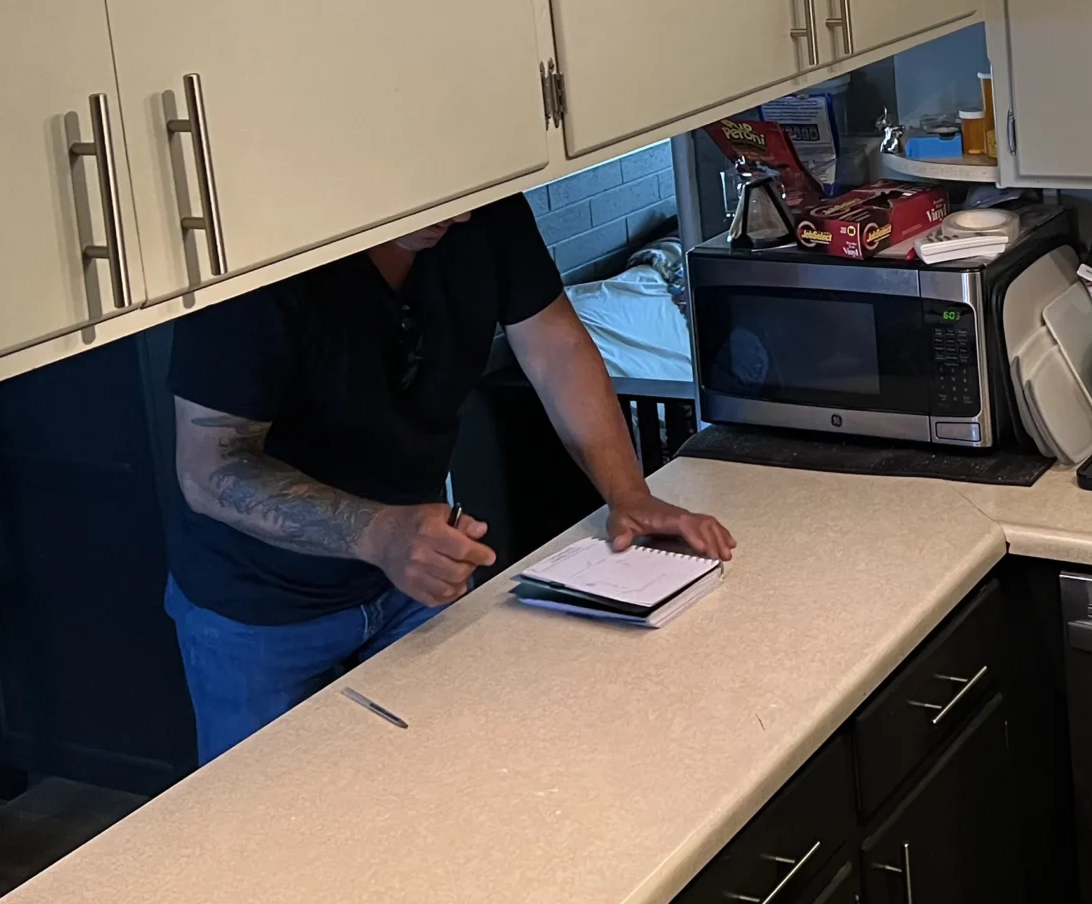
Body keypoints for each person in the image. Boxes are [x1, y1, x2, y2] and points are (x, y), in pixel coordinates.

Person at [159, 193, 735, 759]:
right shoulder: (263, 260)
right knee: (275, 811)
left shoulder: (484, 208)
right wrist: (379, 533)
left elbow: (556, 350)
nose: (458, 214)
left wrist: (628, 493)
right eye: (431, 195)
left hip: (418, 583)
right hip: (259, 612)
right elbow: (210, 467)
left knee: (447, 780)